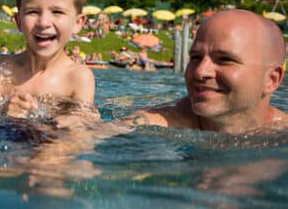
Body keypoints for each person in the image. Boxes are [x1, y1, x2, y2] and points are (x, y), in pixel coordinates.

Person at [121, 10, 287, 133]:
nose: (200, 71)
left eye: (224, 59)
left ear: (271, 80)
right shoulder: (154, 124)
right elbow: (105, 134)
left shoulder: (282, 133)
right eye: (195, 57)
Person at [0, 0, 97, 124]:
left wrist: (71, 121)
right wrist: (4, 111)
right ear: (18, 21)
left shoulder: (78, 77)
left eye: (57, 12)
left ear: (78, 23)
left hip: (51, 142)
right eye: (33, 11)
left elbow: (84, 126)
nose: (43, 22)